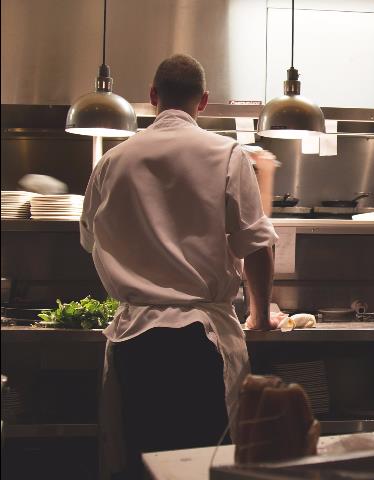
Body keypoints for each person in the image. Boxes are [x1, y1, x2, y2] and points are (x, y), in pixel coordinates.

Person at [80, 54, 280, 479]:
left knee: (142, 465)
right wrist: (260, 315)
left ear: (152, 96)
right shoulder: (226, 153)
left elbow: (90, 240)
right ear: (203, 101)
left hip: (134, 342)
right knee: (204, 468)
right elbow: (257, 244)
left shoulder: (112, 161)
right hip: (199, 342)